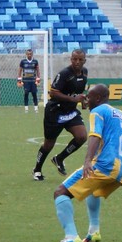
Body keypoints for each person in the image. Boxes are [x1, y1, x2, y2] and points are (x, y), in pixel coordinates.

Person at [52, 84, 122, 242]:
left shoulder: (97, 111)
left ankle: (71, 237)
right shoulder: (121, 115)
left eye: (89, 96)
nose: (86, 98)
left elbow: (94, 135)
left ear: (98, 98)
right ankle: (94, 232)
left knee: (60, 192)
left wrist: (87, 160)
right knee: (93, 191)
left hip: (105, 165)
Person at [32, 49, 89, 181]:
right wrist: (74, 99)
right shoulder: (64, 74)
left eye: (80, 59)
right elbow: (53, 92)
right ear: (71, 59)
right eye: (74, 59)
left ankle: (59, 158)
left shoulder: (85, 72)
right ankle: (37, 170)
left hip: (70, 112)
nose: (77, 62)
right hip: (55, 111)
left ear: (84, 60)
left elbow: (78, 91)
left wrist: (83, 101)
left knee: (81, 136)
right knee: (49, 144)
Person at [17, 48, 41, 113]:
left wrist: (38, 79)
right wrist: (19, 79)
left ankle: (36, 108)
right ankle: (26, 109)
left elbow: (38, 70)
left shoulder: (35, 61)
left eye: (30, 54)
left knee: (34, 94)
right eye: (28, 54)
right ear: (26, 54)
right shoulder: (23, 61)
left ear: (32, 54)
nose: (29, 55)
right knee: (26, 94)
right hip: (25, 81)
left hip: (33, 81)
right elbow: (20, 70)